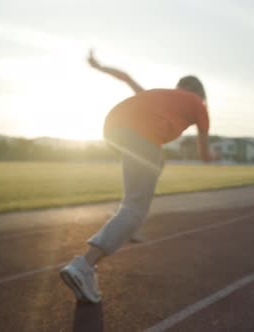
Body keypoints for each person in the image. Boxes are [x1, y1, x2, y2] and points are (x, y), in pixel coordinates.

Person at [59, 49, 213, 303]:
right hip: (141, 136)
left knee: (152, 168)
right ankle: (83, 266)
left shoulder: (163, 97)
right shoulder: (199, 105)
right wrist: (214, 157)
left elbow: (126, 77)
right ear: (200, 93)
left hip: (114, 127)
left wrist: (98, 66)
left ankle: (127, 223)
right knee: (135, 207)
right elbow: (204, 153)